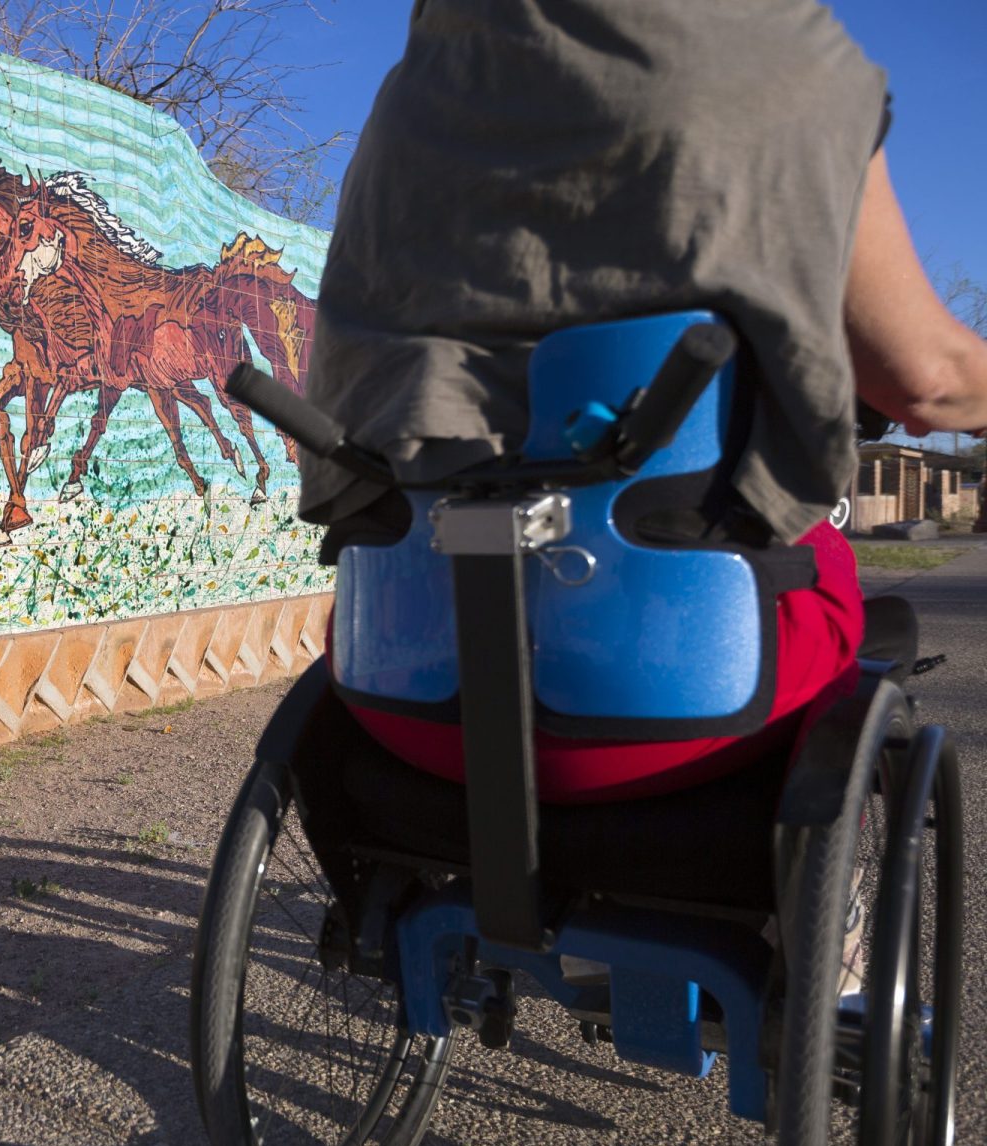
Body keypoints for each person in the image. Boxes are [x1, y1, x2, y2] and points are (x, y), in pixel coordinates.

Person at [301, 0, 987, 803]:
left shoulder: (421, 77)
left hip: (398, 686)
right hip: (686, 705)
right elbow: (925, 380)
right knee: (826, 565)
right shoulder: (788, 56)